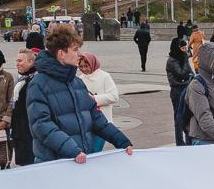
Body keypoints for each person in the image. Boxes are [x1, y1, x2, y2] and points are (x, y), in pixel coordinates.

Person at [25, 26, 135, 163]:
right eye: (75, 49)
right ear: (61, 54)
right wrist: (72, 150)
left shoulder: (77, 82)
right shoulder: (38, 84)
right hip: (55, 163)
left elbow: (96, 118)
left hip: (80, 160)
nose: (80, 54)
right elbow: (41, 125)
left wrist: (122, 141)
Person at [76, 52, 125, 153]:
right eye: (81, 66)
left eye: (86, 66)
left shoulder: (104, 76)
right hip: (87, 123)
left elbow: (114, 96)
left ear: (92, 64)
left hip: (103, 122)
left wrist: (94, 99)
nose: (84, 69)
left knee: (95, 150)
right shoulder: (80, 79)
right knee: (87, 151)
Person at [8, 47, 36, 166]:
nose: (17, 64)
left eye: (20, 61)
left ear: (31, 62)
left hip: (29, 132)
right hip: (19, 130)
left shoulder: (34, 80)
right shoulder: (20, 79)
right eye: (17, 61)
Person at [164, 36, 194, 147]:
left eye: (185, 48)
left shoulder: (181, 58)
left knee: (188, 116)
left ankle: (189, 140)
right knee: (178, 118)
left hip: (186, 89)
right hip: (177, 92)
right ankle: (180, 142)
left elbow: (191, 73)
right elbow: (181, 73)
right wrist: (186, 59)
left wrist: (190, 78)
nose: (185, 50)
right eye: (182, 48)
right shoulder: (172, 60)